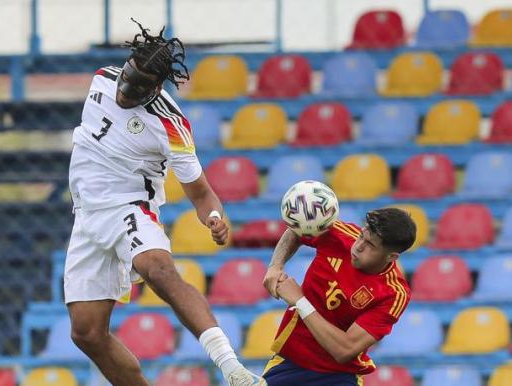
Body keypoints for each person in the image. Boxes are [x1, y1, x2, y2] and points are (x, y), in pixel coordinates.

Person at [64, 19, 265, 386]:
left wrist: (215, 218)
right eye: (127, 77)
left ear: (157, 87)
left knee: (158, 271)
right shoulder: (102, 78)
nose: (125, 89)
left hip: (129, 207)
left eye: (138, 86)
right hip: (86, 218)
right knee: (87, 334)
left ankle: (232, 368)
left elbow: (201, 192)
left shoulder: (170, 124)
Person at [260, 208, 416, 385]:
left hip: (338, 376)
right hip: (290, 362)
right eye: (361, 236)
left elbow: (344, 350)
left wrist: (300, 302)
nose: (358, 246)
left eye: (370, 245)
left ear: (391, 256)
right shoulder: (341, 234)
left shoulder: (393, 294)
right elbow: (297, 230)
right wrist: (275, 266)